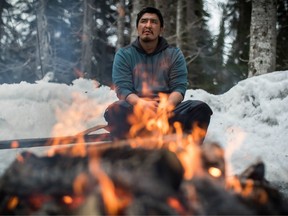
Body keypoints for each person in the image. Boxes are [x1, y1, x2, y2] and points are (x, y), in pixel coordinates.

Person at [104, 7, 213, 143]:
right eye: (144, 21)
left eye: (153, 22)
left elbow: (179, 88)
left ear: (161, 29)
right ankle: (127, 155)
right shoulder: (124, 54)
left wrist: (166, 106)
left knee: (200, 109)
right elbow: (122, 89)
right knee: (115, 109)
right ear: (137, 27)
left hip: (168, 112)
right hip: (137, 111)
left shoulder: (174, 54)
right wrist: (141, 104)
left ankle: (188, 157)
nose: (148, 25)